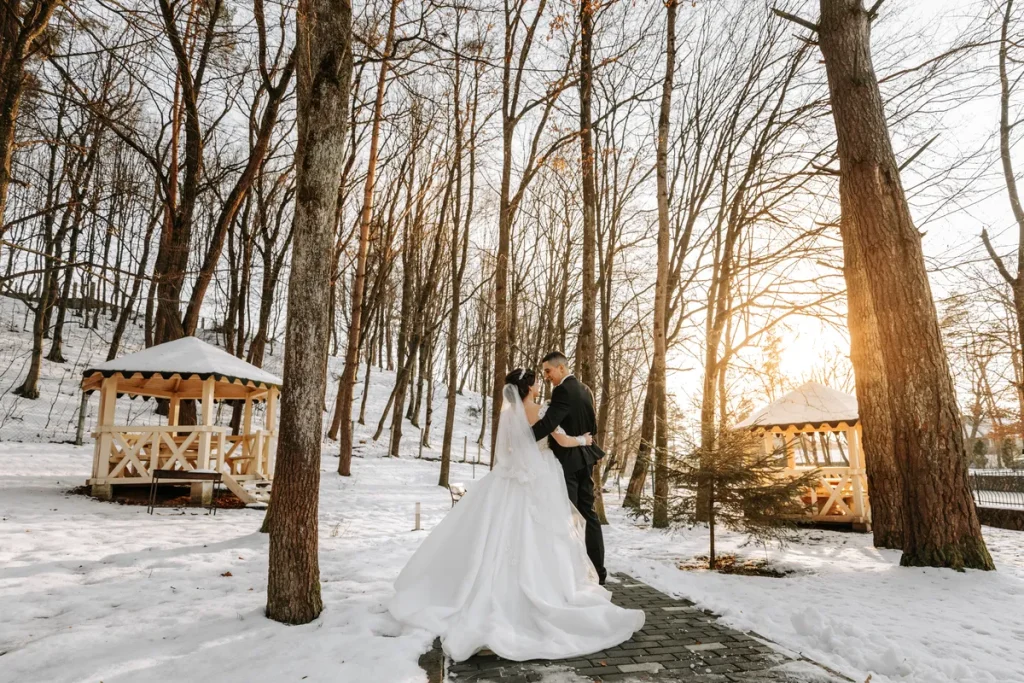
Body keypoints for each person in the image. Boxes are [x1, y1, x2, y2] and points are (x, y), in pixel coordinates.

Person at [388, 368, 644, 663]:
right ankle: (546, 589)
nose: (539, 384)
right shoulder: (538, 410)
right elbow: (560, 440)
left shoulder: (509, 414)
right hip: (540, 476)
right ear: (530, 387)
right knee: (544, 533)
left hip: (509, 478)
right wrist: (585, 441)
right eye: (536, 381)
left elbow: (509, 449)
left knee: (498, 532)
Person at [530, 351, 607, 584]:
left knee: (569, 516)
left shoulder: (562, 390)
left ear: (561, 368)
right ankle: (599, 572)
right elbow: (592, 426)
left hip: (568, 462)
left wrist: (522, 437)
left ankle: (574, 574)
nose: (545, 376)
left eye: (548, 371)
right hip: (585, 458)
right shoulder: (586, 389)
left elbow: (548, 424)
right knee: (589, 515)